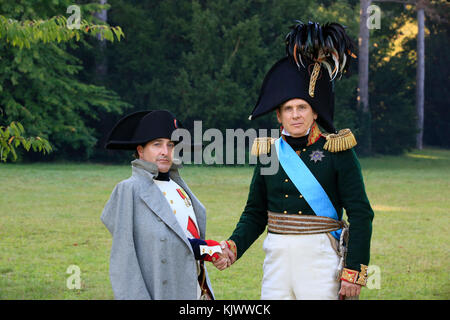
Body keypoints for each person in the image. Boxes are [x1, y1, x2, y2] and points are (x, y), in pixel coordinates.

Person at [217, 21, 374, 300]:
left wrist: (354, 272)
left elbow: (361, 214)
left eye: (302, 107)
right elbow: (255, 213)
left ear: (315, 112)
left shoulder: (338, 150)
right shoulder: (269, 153)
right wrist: (233, 246)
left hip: (321, 260)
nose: (296, 114)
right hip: (276, 261)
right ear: (278, 116)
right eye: (288, 109)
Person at [101, 110, 227, 300]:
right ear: (141, 151)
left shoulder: (179, 187)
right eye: (156, 144)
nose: (165, 151)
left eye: (170, 145)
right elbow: (123, 260)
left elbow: (182, 241)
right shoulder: (128, 190)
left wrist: (211, 250)